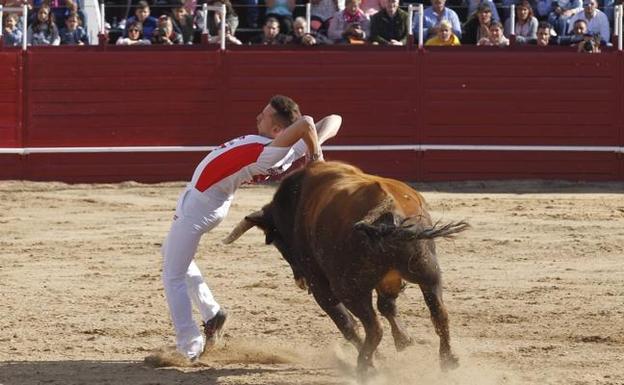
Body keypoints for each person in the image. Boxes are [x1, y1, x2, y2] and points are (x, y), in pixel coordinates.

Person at [161, 95, 342, 361]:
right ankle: (213, 314)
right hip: (208, 202)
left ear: (278, 130)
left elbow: (306, 121)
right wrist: (314, 145)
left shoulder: (270, 153)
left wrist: (316, 154)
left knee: (172, 275)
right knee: (171, 254)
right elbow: (333, 120)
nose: (258, 117)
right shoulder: (290, 149)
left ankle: (188, 347)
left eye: (265, 115)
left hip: (199, 206)